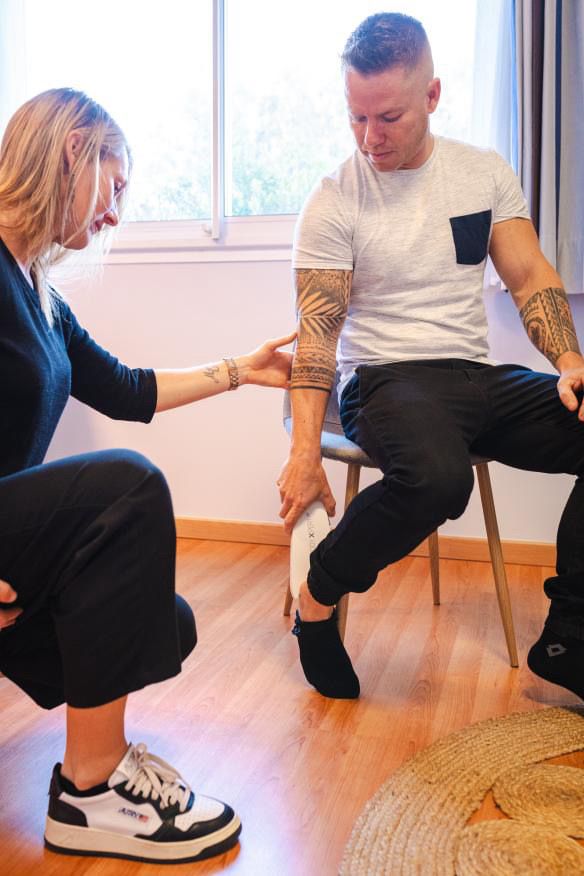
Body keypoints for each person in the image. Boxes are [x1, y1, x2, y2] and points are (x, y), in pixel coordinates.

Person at [0, 87, 294, 864]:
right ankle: (91, 791)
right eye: (116, 185)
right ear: (73, 151)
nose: (116, 216)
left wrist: (242, 369)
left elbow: (130, 390)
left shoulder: (37, 291)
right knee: (127, 487)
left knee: (163, 621)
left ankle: (98, 772)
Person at [278, 11, 584, 702]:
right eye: (356, 117)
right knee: (441, 481)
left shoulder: (481, 172)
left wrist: (570, 361)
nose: (370, 137)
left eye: (388, 117)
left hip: (474, 376)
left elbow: (529, 276)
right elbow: (318, 333)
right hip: (384, 379)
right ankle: (317, 595)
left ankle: (570, 641)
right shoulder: (333, 200)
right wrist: (303, 453)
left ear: (433, 95)